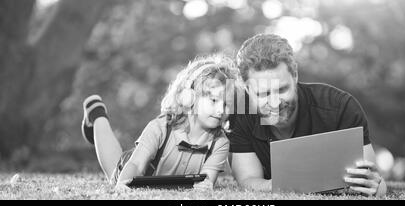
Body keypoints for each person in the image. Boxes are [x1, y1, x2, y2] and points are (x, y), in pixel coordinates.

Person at [228, 34, 387, 197]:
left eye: (282, 89)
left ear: (295, 75)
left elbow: (373, 183)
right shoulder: (241, 113)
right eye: (263, 93)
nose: (274, 103)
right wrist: (293, 184)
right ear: (246, 89)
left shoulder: (340, 107)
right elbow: (248, 179)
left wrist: (374, 185)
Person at [81, 54, 238, 190]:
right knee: (113, 171)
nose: (220, 110)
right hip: (136, 167)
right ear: (188, 97)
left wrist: (205, 186)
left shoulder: (220, 142)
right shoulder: (161, 127)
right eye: (213, 100)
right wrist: (123, 183)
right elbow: (136, 165)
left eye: (225, 104)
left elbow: (206, 179)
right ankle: (96, 113)